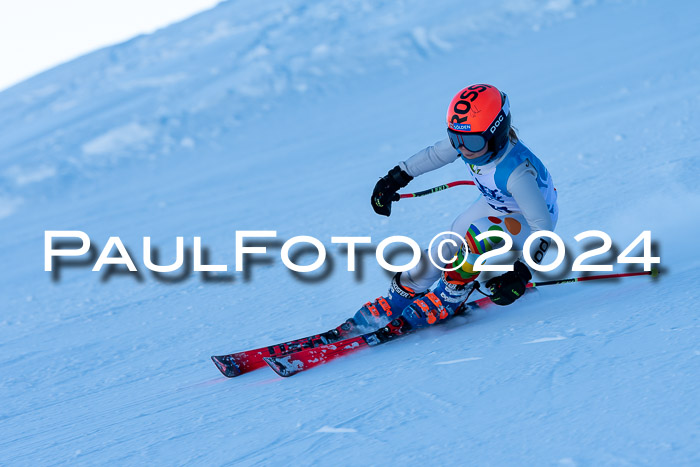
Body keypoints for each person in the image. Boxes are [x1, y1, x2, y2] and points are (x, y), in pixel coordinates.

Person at [351, 83, 558, 331]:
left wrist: (521, 273)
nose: (461, 149)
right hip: (496, 205)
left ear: (496, 134)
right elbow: (433, 155)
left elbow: (543, 227)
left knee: (481, 233)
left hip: (528, 221)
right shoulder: (472, 138)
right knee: (446, 244)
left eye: (469, 142)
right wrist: (394, 179)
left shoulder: (515, 172)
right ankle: (405, 291)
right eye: (455, 139)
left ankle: (452, 294)